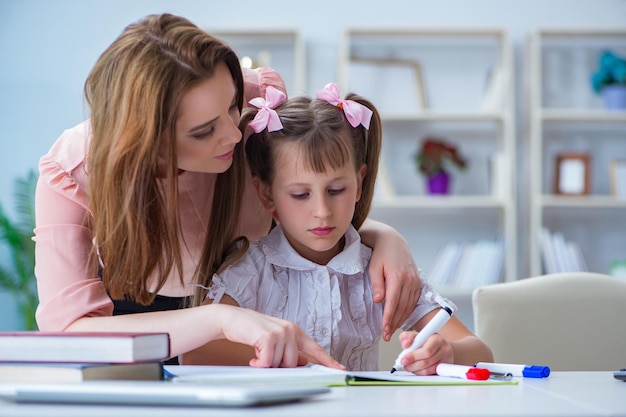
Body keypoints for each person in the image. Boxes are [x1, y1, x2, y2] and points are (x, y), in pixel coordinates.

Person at [33, 13, 423, 367]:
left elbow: (308, 200)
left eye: (232, 107)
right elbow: (70, 333)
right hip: (129, 348)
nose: (234, 134)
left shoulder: (259, 111)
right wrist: (218, 318)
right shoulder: (72, 173)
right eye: (204, 131)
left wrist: (384, 237)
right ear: (146, 140)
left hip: (245, 351)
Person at [181, 83, 493, 372]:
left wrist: (446, 353)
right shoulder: (252, 270)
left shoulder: (380, 273)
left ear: (359, 183)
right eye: (301, 195)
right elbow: (195, 352)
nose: (322, 212)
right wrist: (294, 358)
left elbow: (481, 352)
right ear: (266, 194)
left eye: (336, 190)